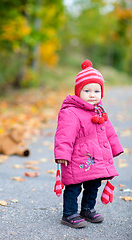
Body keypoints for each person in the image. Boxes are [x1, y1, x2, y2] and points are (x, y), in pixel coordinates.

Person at [54, 60, 124, 228]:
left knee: (93, 185)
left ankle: (87, 209)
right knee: (74, 186)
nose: (92, 95)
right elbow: (64, 135)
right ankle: (69, 213)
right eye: (87, 90)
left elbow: (109, 132)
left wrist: (116, 148)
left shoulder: (99, 110)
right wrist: (62, 154)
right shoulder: (71, 112)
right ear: (78, 92)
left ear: (102, 93)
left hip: (96, 158)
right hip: (77, 159)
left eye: (96, 91)